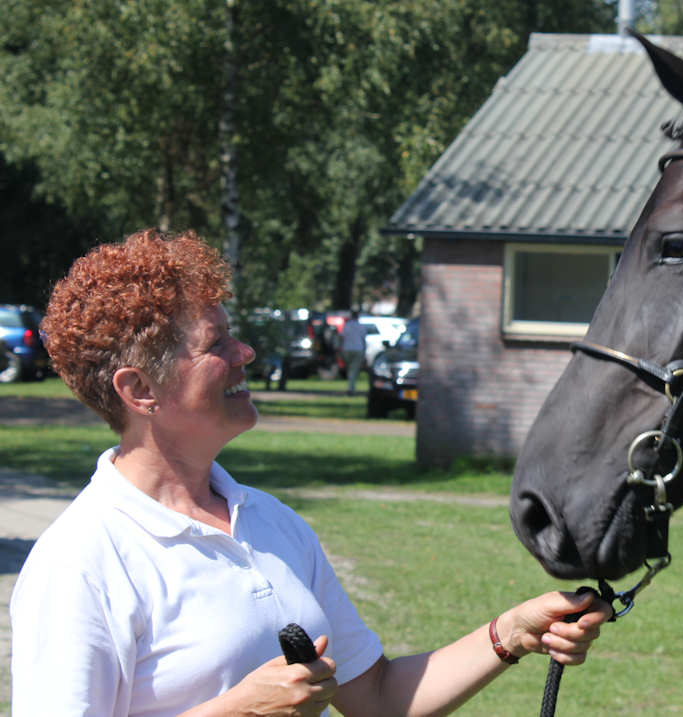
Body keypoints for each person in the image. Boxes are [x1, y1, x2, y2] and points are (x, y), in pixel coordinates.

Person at [11, 229, 611, 717]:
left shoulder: (273, 524)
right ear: (139, 388)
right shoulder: (81, 561)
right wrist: (236, 712)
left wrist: (511, 632)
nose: (244, 352)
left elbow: (376, 698)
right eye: (215, 341)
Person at [340, 310, 367, 396]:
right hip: (358, 349)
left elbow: (342, 337)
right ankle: (351, 388)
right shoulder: (361, 326)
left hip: (347, 349)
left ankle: (350, 387)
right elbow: (363, 339)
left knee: (350, 369)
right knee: (354, 369)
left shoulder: (347, 325)